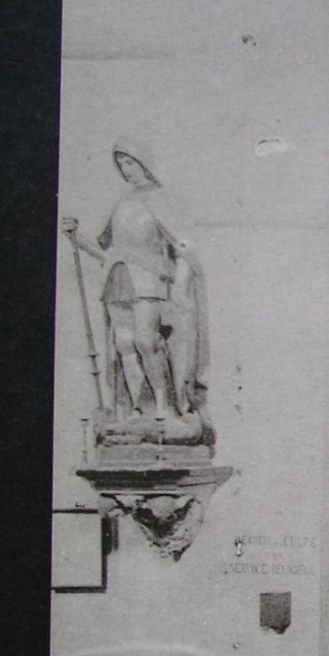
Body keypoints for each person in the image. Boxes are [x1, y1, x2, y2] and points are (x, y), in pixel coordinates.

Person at [61, 138, 209, 440]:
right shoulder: (121, 203)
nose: (125, 169)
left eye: (129, 162)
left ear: (143, 162)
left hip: (150, 278)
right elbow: (107, 250)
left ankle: (163, 410)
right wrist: (75, 237)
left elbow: (183, 248)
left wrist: (180, 288)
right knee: (124, 344)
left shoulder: (163, 200)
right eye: (120, 164)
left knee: (146, 340)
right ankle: (138, 412)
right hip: (118, 278)